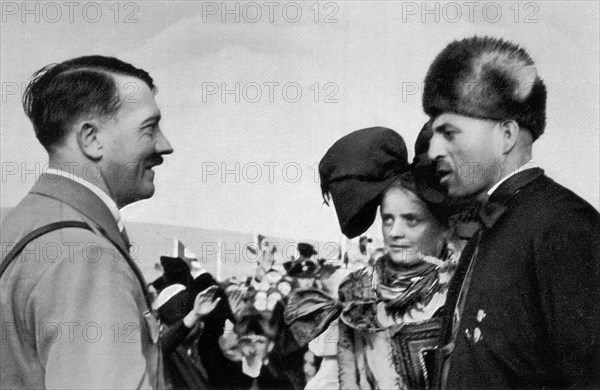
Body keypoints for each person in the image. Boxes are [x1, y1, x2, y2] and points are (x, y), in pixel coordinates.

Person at [422, 36, 600, 389]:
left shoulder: (565, 226)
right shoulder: (486, 231)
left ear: (506, 134)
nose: (433, 149)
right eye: (432, 134)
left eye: (449, 132)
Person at [0, 56, 174, 388]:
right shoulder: (84, 257)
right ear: (91, 139)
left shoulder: (23, 225)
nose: (165, 146)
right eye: (149, 128)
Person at [285, 127, 465, 389]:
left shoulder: (464, 289)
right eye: (388, 219)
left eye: (411, 220)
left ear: (445, 227)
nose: (395, 232)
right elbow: (331, 375)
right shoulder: (358, 291)